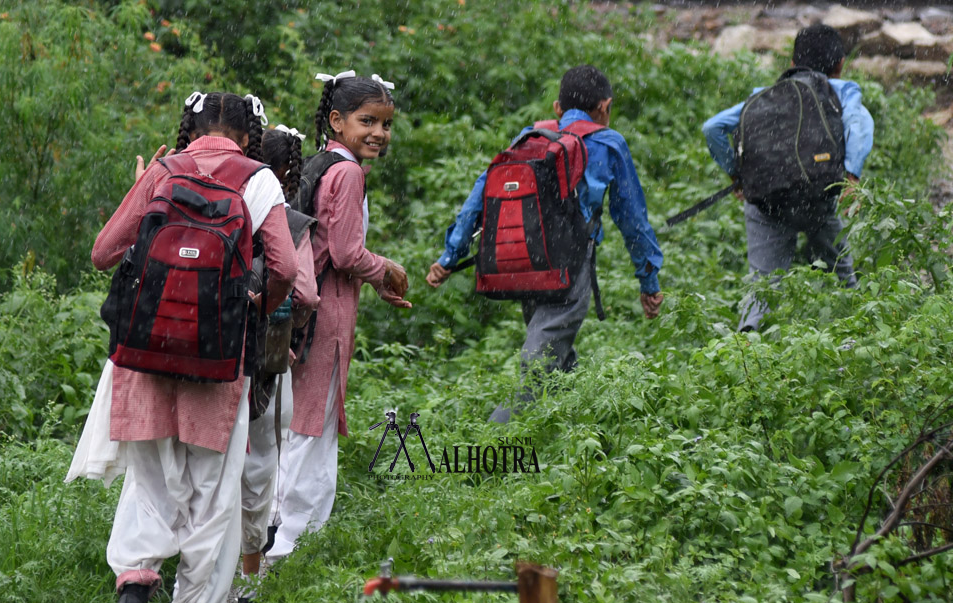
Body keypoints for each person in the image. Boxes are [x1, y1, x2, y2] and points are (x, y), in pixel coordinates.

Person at [73, 91, 299, 603]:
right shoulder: (260, 181)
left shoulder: (163, 171)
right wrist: (253, 306)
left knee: (149, 483)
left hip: (146, 357)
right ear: (250, 136)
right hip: (218, 362)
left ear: (190, 128)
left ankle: (133, 584)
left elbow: (103, 253)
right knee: (213, 498)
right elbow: (286, 271)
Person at [426, 65, 664, 422]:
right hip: (568, 263)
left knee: (554, 354)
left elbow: (481, 194)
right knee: (539, 364)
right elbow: (633, 221)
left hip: (525, 257)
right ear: (606, 106)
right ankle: (496, 439)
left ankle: (576, 428)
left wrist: (450, 256)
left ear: (557, 107)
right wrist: (649, 282)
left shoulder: (531, 136)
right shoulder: (609, 143)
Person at [264, 72, 411, 563]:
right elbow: (347, 254)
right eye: (367, 121)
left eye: (385, 124)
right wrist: (386, 270)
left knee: (294, 426)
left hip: (303, 317)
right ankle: (288, 550)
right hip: (326, 320)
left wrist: (375, 275)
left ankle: (270, 532)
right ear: (336, 120)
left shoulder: (320, 163)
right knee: (312, 429)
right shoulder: (347, 173)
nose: (379, 133)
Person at [702, 24, 874, 332]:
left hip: (766, 201)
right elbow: (859, 124)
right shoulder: (842, 90)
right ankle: (858, 335)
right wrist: (852, 174)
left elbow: (712, 128)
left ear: (792, 63)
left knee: (763, 287)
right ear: (840, 65)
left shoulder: (764, 96)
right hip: (817, 199)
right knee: (842, 275)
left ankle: (747, 348)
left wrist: (735, 174)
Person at [237, 125, 319, 603]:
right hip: (267, 352)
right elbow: (304, 291)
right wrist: (290, 329)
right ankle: (248, 580)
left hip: (216, 345)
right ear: (290, 171)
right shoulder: (288, 221)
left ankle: (186, 578)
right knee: (261, 461)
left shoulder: (225, 203)